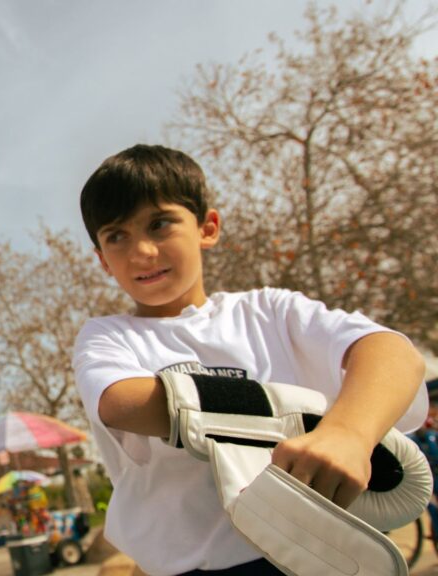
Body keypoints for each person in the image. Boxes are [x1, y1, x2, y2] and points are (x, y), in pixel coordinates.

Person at [71, 144, 427, 575]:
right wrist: (286, 416)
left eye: (160, 224)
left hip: (321, 551)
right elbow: (122, 401)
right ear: (102, 261)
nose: (141, 251)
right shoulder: (107, 336)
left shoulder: (271, 310)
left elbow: (392, 354)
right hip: (197, 567)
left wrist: (348, 433)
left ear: (208, 227)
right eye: (117, 236)